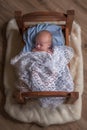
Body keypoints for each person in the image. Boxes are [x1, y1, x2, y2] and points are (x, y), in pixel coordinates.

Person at [11, 30, 74, 108]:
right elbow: (29, 57)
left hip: (49, 70)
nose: (37, 46)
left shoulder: (51, 51)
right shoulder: (34, 50)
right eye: (36, 43)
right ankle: (36, 88)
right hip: (36, 68)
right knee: (30, 73)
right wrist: (33, 54)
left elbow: (56, 60)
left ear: (49, 45)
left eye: (41, 44)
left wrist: (52, 57)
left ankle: (47, 87)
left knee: (55, 73)